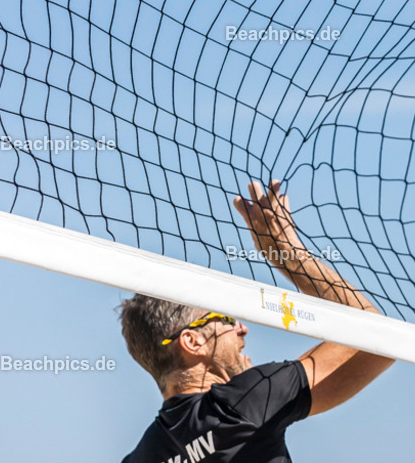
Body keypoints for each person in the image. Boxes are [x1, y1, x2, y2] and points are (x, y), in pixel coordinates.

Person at [120, 180, 393, 462]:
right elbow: (377, 338)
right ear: (192, 341)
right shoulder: (246, 399)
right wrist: (288, 254)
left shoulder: (139, 458)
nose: (242, 328)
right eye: (224, 318)